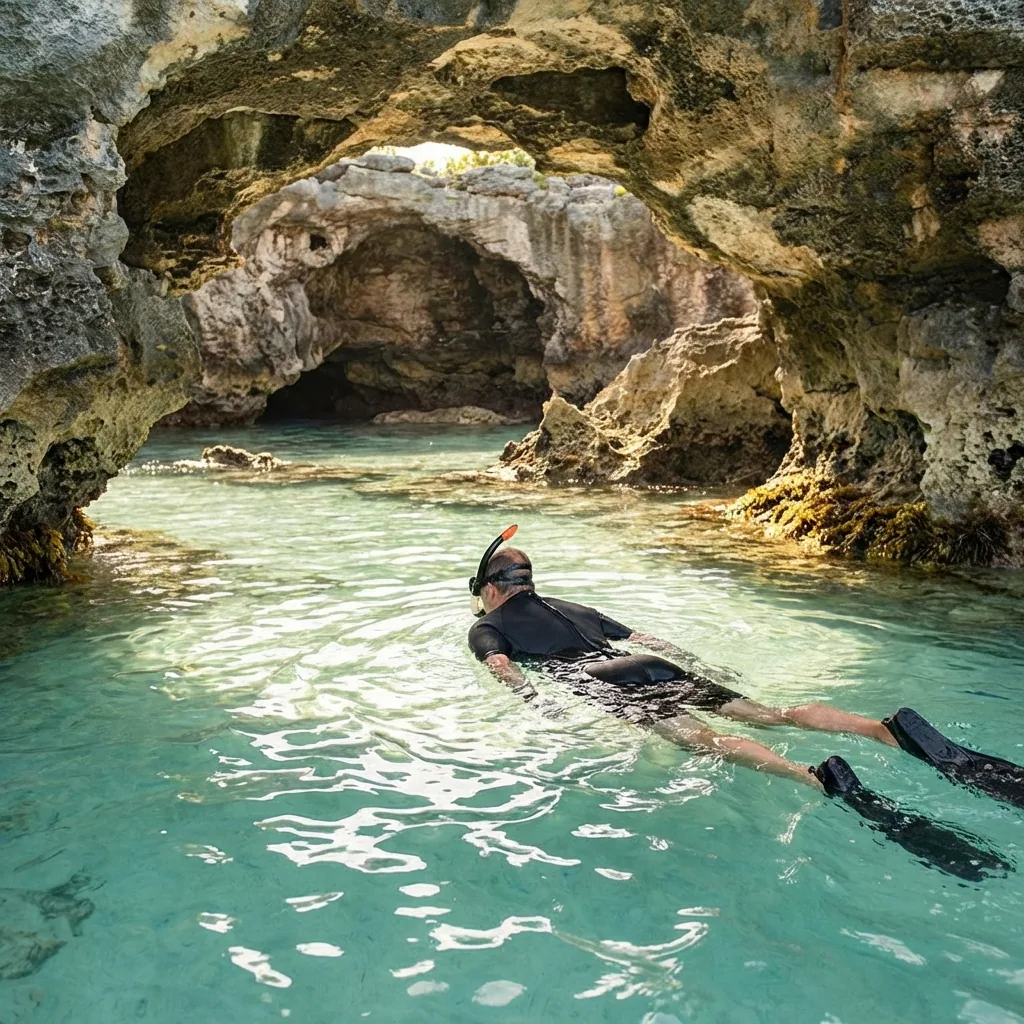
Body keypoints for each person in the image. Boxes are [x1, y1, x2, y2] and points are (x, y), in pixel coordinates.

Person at [465, 528, 1024, 813]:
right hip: (654, 666)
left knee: (705, 741)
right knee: (771, 713)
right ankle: (884, 730)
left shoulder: (487, 623)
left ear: (491, 589)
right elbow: (650, 640)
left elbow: (500, 666)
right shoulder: (579, 607)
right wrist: (702, 668)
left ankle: (814, 778)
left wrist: (536, 703)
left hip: (607, 682)